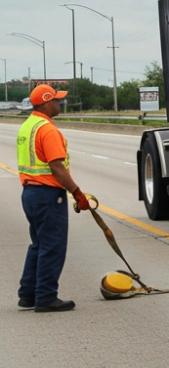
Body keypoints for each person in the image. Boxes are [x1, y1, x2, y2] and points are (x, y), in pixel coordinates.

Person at [17, 83, 93, 312]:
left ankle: (28, 294)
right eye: (57, 100)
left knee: (39, 245)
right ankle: (46, 297)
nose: (60, 103)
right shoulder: (47, 130)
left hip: (30, 193)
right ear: (46, 102)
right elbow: (57, 168)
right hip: (48, 195)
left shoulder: (27, 126)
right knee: (52, 246)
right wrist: (77, 193)